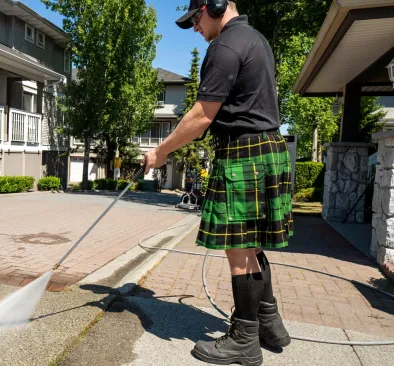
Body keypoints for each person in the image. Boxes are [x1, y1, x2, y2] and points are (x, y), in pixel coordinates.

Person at [142, 1, 294, 365]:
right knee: (253, 245)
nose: (195, 27)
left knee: (239, 249)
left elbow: (201, 115)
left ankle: (244, 338)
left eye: (196, 18)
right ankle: (268, 324)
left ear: (215, 6)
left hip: (244, 154)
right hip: (267, 148)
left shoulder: (224, 46)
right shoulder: (255, 39)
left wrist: (160, 152)